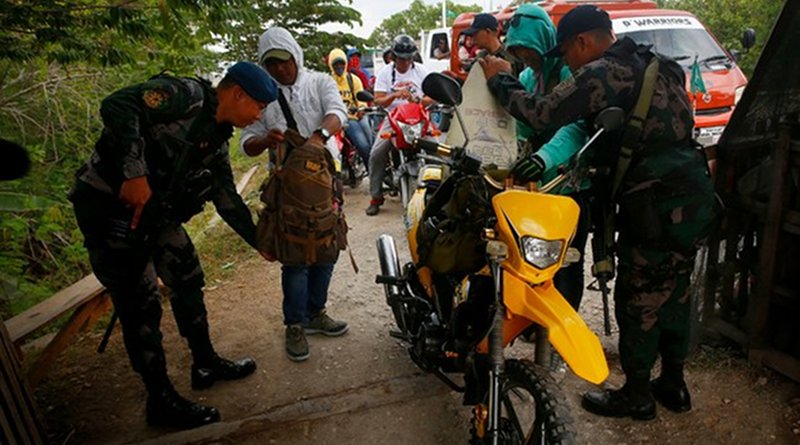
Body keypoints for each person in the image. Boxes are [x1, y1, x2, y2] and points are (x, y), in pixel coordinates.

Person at [481, 5, 716, 420]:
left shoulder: (603, 72)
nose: (567, 63)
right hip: (694, 190)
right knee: (677, 289)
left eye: (568, 52)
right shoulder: (658, 65)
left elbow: (542, 113)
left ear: (583, 42)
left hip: (654, 200)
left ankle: (638, 395)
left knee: (639, 295)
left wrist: (499, 78)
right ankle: (674, 384)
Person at [69, 61, 277, 430]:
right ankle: (159, 399)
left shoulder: (216, 137)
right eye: (258, 106)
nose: (259, 115)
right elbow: (117, 104)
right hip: (108, 208)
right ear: (237, 93)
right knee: (140, 302)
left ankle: (204, 361)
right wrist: (134, 174)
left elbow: (225, 196)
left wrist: (260, 242)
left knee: (187, 274)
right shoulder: (185, 96)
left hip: (154, 213)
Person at [241, 27, 349, 362]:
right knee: (295, 256)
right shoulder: (263, 94)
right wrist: (266, 139)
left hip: (325, 182)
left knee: (327, 249)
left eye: (283, 62)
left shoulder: (319, 82)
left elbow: (338, 112)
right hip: (288, 189)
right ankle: (295, 324)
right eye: (271, 64)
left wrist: (319, 134)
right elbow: (247, 142)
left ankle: (316, 313)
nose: (279, 70)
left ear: (295, 55)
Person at [504, 4, 589, 312]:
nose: (525, 57)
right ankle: (535, 318)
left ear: (543, 39)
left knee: (567, 259)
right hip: (537, 183)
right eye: (518, 52)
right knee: (532, 254)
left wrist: (543, 157)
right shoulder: (528, 77)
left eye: (528, 50)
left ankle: (563, 320)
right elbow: (522, 123)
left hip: (570, 180)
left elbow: (576, 126)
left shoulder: (569, 72)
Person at [365, 34, 432, 216]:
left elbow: (431, 96)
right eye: (402, 59)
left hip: (418, 117)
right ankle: (376, 196)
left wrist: (418, 99)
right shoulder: (385, 73)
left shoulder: (422, 71)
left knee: (437, 150)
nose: (406, 62)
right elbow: (378, 100)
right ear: (394, 57)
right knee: (376, 153)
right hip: (394, 119)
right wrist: (394, 96)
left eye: (409, 58)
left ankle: (437, 193)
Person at [328, 48, 373, 166]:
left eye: (341, 63)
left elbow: (361, 97)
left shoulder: (354, 79)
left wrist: (361, 108)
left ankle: (373, 170)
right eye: (336, 64)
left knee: (368, 142)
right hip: (339, 119)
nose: (339, 67)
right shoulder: (327, 82)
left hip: (355, 115)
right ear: (330, 65)